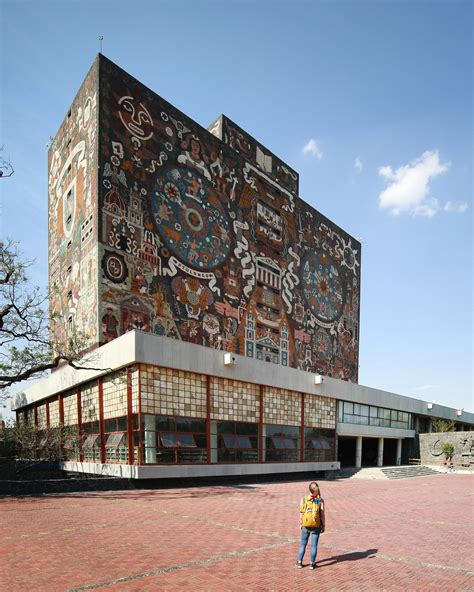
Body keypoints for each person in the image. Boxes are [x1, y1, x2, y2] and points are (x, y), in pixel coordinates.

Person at [295, 481, 325, 570]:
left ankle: (299, 562)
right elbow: (322, 514)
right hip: (316, 525)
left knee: (303, 544)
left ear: (309, 489)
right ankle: (312, 563)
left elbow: (301, 512)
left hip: (306, 525)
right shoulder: (320, 500)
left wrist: (301, 523)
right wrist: (323, 525)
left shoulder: (304, 499)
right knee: (314, 545)